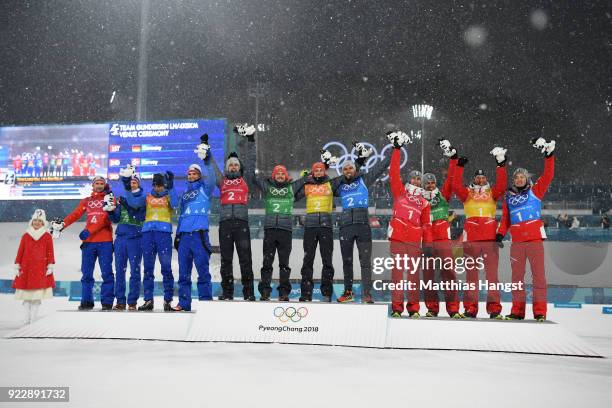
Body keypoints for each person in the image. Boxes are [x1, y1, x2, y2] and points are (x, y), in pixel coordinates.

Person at [243, 132, 308, 301]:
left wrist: (309, 174)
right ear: (273, 176)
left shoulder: (292, 188)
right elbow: (250, 174)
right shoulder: (267, 187)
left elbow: (311, 178)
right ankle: (265, 292)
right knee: (267, 264)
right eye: (277, 173)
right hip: (270, 230)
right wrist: (251, 143)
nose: (279, 176)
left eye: (282, 174)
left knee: (284, 264)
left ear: (286, 176)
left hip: (286, 230)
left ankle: (284, 293)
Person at [497, 137, 556, 322]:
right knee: (516, 279)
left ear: (526, 179)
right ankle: (517, 311)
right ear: (514, 180)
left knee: (539, 277)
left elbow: (548, 175)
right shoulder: (508, 197)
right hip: (517, 243)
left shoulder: (535, 191)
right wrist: (499, 234)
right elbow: (505, 219)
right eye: (517, 177)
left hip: (534, 241)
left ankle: (539, 312)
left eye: (522, 176)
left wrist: (549, 156)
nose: (519, 179)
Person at [451, 143, 508, 319]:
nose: (481, 181)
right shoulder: (467, 194)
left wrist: (501, 164)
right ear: (474, 180)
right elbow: (454, 185)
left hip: (490, 239)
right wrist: (459, 167)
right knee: (471, 277)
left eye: (483, 179)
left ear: (486, 180)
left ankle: (494, 309)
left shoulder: (492, 193)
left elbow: (503, 183)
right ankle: (470, 308)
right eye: (478, 179)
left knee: (492, 276)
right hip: (472, 240)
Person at [333, 141, 391, 304]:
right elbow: (327, 185)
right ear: (342, 172)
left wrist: (394, 148)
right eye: (345, 169)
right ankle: (348, 292)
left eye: (350, 167)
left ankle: (367, 294)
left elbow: (381, 166)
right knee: (347, 262)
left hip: (363, 226)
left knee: (365, 262)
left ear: (356, 169)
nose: (348, 170)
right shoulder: (339, 186)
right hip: (345, 227)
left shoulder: (365, 180)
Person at [50, 176, 117, 310]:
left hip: (105, 242)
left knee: (107, 273)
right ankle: (86, 301)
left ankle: (107, 302)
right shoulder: (86, 201)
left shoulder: (109, 199)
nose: (99, 185)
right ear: (92, 185)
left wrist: (89, 230)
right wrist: (62, 225)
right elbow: (75, 214)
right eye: (96, 183)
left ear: (104, 185)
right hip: (89, 243)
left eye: (101, 183)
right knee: (86, 274)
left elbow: (105, 219)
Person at [386, 131, 432, 318]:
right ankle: (397, 307)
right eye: (413, 178)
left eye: (418, 179)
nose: (415, 181)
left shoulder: (424, 201)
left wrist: (427, 245)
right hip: (398, 238)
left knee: (413, 276)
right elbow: (393, 173)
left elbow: (427, 224)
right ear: (409, 180)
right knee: (397, 275)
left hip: (414, 241)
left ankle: (413, 308)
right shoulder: (400, 192)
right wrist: (397, 149)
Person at [172, 134, 219, 311]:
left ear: (199, 175)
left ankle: (205, 303)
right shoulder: (184, 195)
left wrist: (207, 158)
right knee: (184, 274)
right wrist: (177, 236)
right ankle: (184, 303)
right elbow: (180, 214)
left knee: (202, 272)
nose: (191, 175)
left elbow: (213, 178)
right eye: (189, 173)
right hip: (184, 237)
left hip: (199, 235)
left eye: (194, 173)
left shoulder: (206, 189)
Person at [418, 139, 463, 318]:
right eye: (427, 183)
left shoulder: (443, 195)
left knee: (449, 275)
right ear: (422, 185)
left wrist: (453, 159)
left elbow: (451, 179)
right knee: (428, 277)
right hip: (427, 242)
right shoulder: (419, 199)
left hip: (443, 241)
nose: (430, 185)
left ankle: (453, 310)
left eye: (431, 183)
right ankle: (432, 309)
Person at [293, 149, 344, 302]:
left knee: (327, 260)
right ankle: (306, 293)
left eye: (321, 169)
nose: (319, 172)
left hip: (326, 226)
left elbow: (343, 182)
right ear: (312, 172)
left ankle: (326, 293)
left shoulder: (330, 184)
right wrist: (303, 179)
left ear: (324, 171)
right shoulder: (307, 185)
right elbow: (294, 197)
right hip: (310, 226)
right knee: (308, 260)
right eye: (316, 170)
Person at [125, 171, 178, 311]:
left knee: (166, 268)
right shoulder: (147, 197)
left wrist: (171, 187)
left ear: (164, 185)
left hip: (164, 235)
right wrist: (127, 188)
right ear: (152, 185)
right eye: (155, 185)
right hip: (148, 234)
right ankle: (148, 300)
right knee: (148, 269)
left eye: (160, 185)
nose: (158, 188)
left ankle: (168, 300)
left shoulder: (168, 196)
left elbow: (176, 203)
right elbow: (134, 203)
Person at [108, 165, 145, 311]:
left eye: (135, 182)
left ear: (139, 183)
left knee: (135, 271)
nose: (132, 184)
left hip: (135, 238)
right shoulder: (123, 198)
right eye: (131, 182)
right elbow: (116, 218)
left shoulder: (142, 198)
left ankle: (132, 301)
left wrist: (128, 206)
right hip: (121, 238)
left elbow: (139, 215)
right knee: (119, 270)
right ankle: (120, 301)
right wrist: (111, 211)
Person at [13, 209, 55, 324]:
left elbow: (50, 252)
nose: (37, 223)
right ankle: (26, 318)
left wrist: (50, 265)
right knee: (26, 297)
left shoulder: (47, 236)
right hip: (26, 269)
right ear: (31, 221)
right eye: (35, 220)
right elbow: (20, 251)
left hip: (40, 269)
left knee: (36, 297)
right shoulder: (26, 236)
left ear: (43, 223)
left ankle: (34, 319)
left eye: (39, 221)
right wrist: (18, 265)